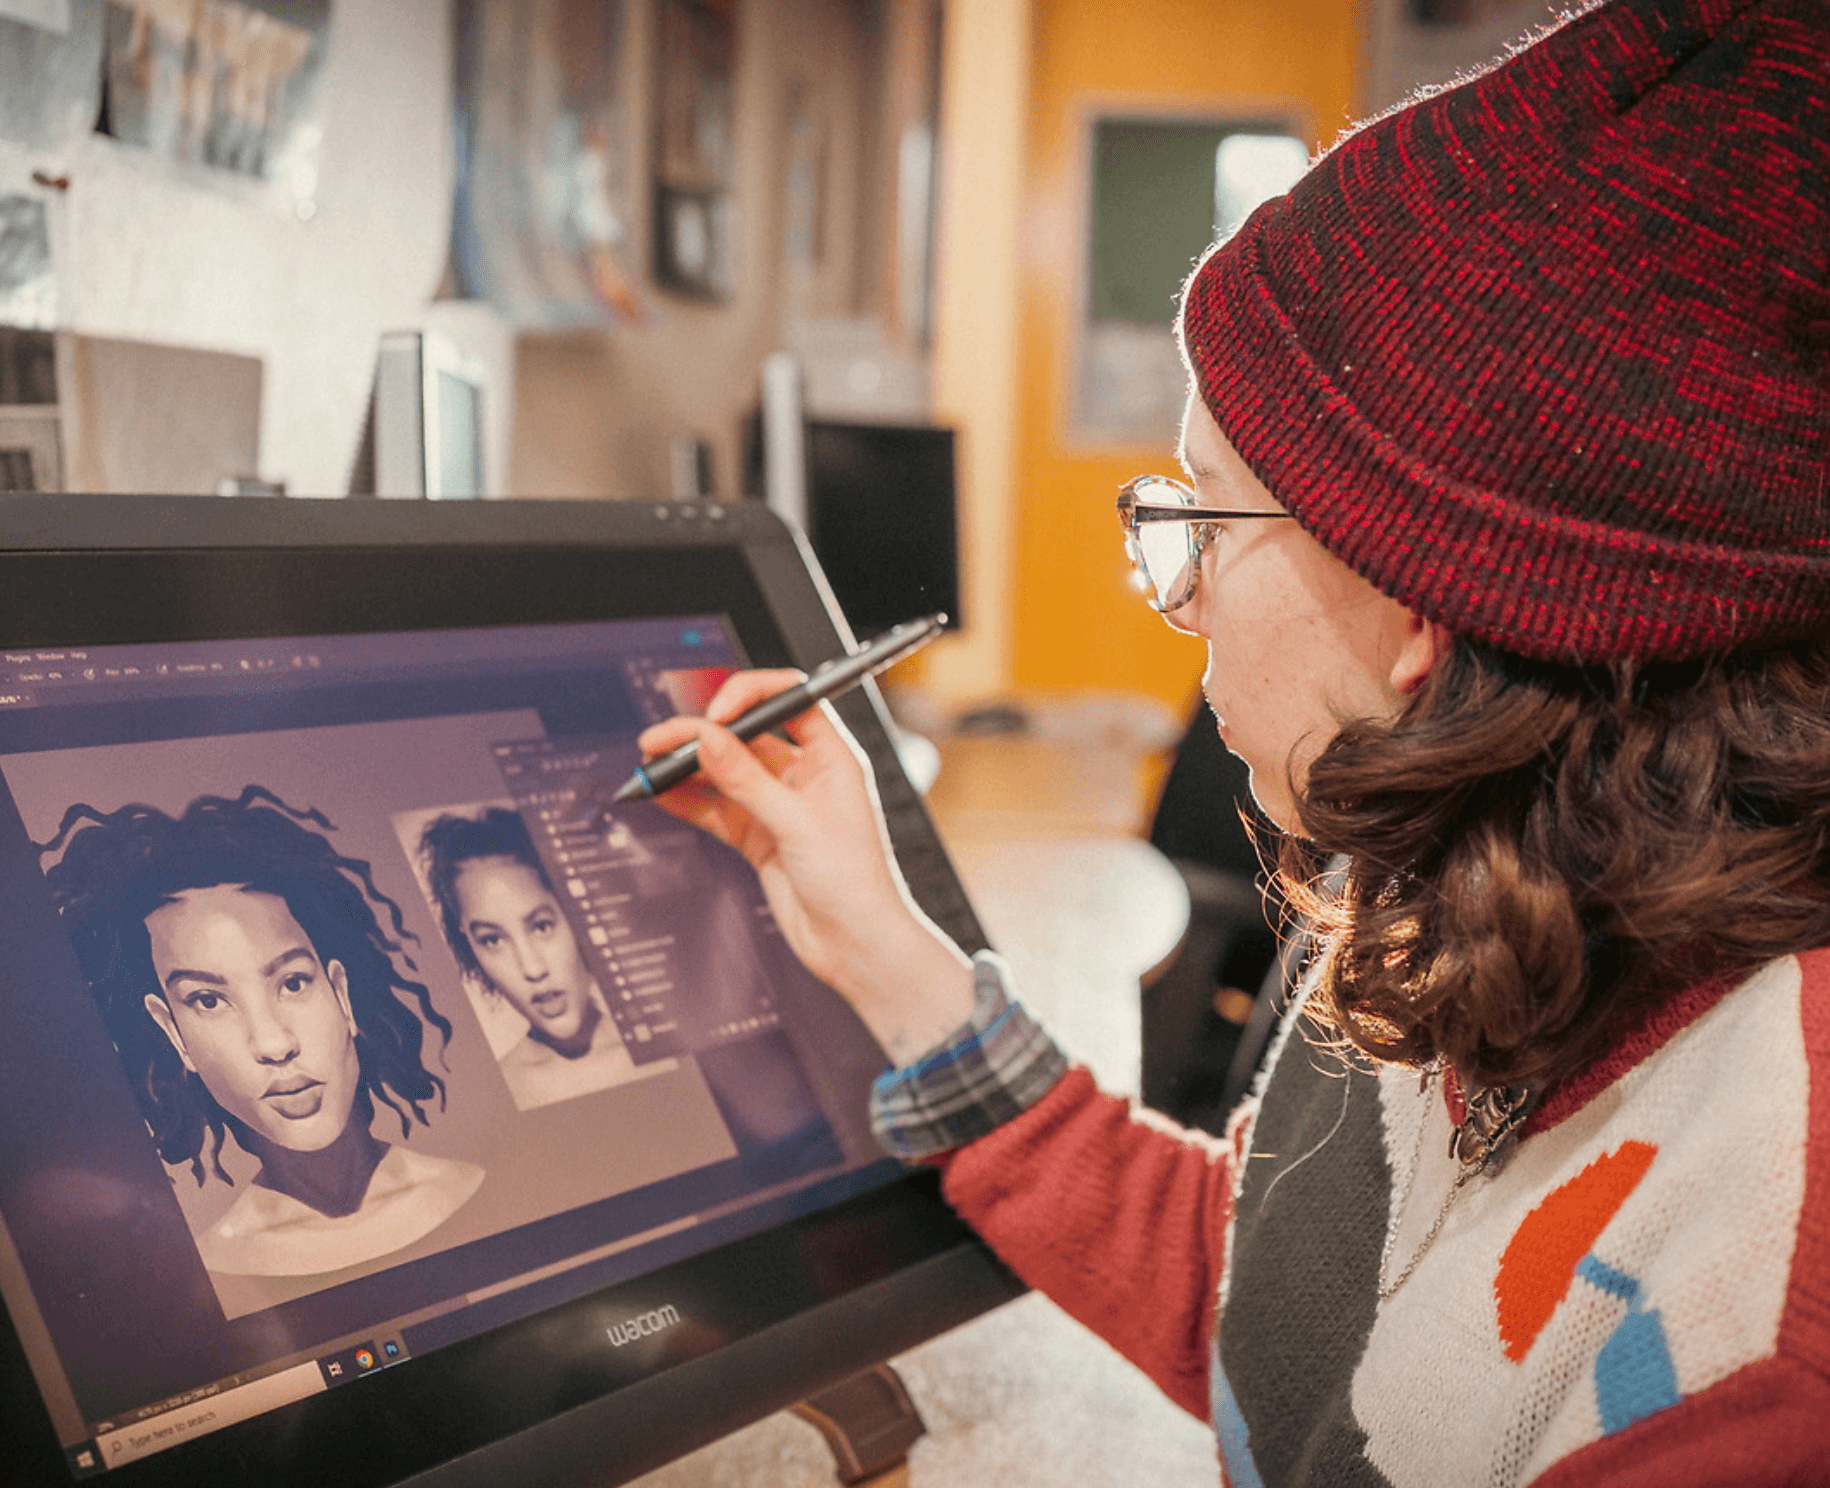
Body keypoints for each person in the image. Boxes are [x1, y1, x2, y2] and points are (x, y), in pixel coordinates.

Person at [632, 0, 1830, 1480]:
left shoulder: (1756, 1330)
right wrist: (879, 936)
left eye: (1200, 517)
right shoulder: (1459, 907)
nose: (1177, 594)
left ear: (1421, 594)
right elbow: (1279, 1320)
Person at [38, 787, 484, 1278]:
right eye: (208, 1001)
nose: (274, 1044)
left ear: (341, 994)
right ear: (174, 1034)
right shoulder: (215, 1269)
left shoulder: (475, 1188)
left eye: (293, 983)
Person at [418, 806, 649, 1110]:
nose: (532, 968)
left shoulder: (666, 1052)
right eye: (493, 940)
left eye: (542, 927)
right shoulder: (491, 1098)